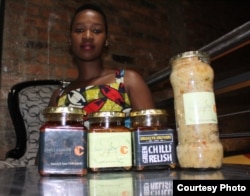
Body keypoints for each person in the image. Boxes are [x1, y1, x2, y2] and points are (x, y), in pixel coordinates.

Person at [49, 3, 155, 126]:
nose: (87, 36)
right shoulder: (59, 95)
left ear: (106, 40)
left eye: (96, 30)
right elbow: (51, 142)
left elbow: (152, 138)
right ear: (70, 40)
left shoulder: (128, 81)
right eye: (79, 30)